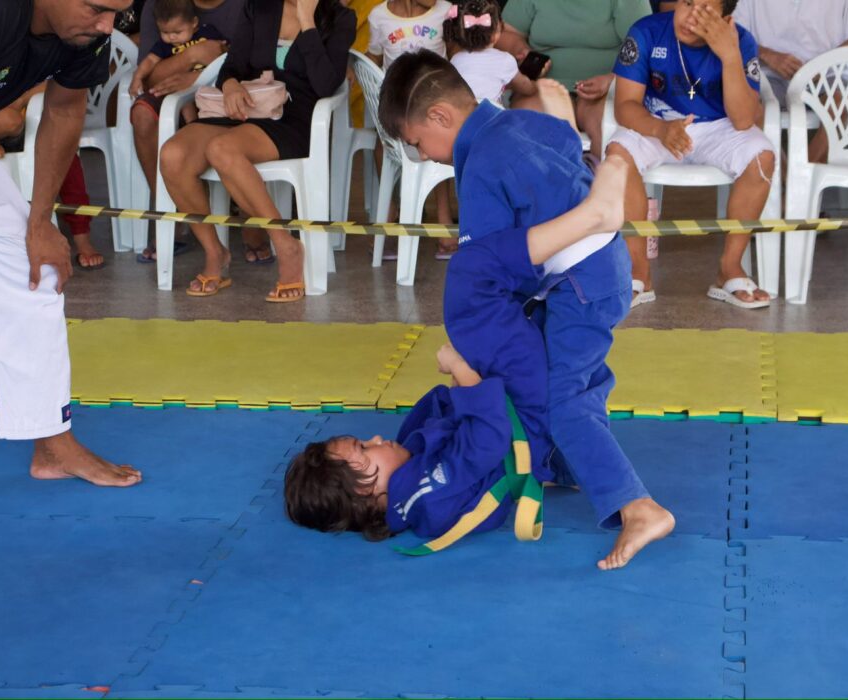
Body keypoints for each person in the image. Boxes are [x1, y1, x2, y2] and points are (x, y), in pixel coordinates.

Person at [287, 158, 664, 570]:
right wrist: (461, 370)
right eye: (364, 450)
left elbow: (457, 428)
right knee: (475, 289)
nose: (375, 438)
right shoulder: (426, 496)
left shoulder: (411, 477)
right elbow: (486, 438)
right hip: (523, 417)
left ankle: (575, 201)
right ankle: (589, 214)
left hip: (516, 412)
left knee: (541, 324)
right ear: (368, 496)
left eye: (363, 441)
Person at [379, 50, 675, 569]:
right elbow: (562, 143)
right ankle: (563, 462)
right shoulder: (514, 122)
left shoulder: (483, 167)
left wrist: (474, 350)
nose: (423, 157)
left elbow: (494, 268)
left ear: (440, 117)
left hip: (580, 282)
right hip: (595, 274)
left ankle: (638, 508)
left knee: (561, 399)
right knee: (566, 379)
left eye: (418, 143)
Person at [0, 0, 141, 486]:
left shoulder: (85, 34)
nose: (107, 25)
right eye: (97, 8)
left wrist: (41, 223)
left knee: (37, 266)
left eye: (118, 15)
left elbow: (65, 110)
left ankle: (53, 445)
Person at [159, 0, 355, 300]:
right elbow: (232, 66)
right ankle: (215, 252)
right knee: (173, 154)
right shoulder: (260, 8)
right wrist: (230, 86)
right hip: (247, 109)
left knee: (222, 149)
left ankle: (285, 245)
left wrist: (307, 20)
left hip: (296, 118)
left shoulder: (339, 18)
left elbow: (326, 85)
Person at [608, 0, 775, 309]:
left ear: (725, 17)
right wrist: (660, 129)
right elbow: (625, 106)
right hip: (657, 121)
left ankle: (730, 269)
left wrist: (729, 55)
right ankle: (639, 272)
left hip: (719, 126)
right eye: (686, 2)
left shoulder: (741, 40)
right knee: (618, 154)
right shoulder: (647, 31)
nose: (690, 16)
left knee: (761, 158)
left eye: (705, 9)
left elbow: (742, 120)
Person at [130, 0, 241, 263]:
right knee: (143, 114)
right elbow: (150, 77)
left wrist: (199, 78)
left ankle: (253, 227)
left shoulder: (245, 6)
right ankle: (170, 214)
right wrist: (193, 55)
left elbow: (250, 63)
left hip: (230, 86)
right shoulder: (161, 6)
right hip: (172, 90)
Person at [495, 0, 653, 158]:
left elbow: (646, 44)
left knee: (609, 128)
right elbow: (506, 34)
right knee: (530, 123)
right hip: (543, 86)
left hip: (606, 88)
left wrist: (613, 79)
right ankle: (553, 179)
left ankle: (597, 176)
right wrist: (521, 50)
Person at [0, 84, 105, 270]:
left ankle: (82, 237)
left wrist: (18, 100)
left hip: (22, 126)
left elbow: (55, 84)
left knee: (61, 153)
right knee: (3, 120)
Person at [734, 0, 848, 163]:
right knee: (752, 105)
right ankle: (784, 177)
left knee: (840, 104)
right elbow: (732, 34)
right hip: (769, 73)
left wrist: (821, 65)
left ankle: (800, 179)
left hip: (827, 71)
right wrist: (768, 55)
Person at [367, 0, 458, 259]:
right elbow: (373, 60)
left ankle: (443, 212)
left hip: (436, 108)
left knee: (444, 138)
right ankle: (391, 210)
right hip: (397, 108)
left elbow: (455, 57)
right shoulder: (379, 16)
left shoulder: (443, 11)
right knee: (381, 141)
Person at [444, 0, 576, 128]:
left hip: (461, 119)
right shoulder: (504, 60)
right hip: (489, 120)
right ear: (496, 35)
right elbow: (525, 87)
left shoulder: (456, 59)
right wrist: (536, 86)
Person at [129, 0, 229, 127]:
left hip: (211, 82)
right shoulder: (164, 45)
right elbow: (150, 60)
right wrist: (138, 76)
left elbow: (224, 52)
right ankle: (192, 126)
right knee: (180, 98)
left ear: (194, 23)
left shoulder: (207, 33)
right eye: (165, 32)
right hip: (181, 88)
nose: (171, 37)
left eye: (177, 32)